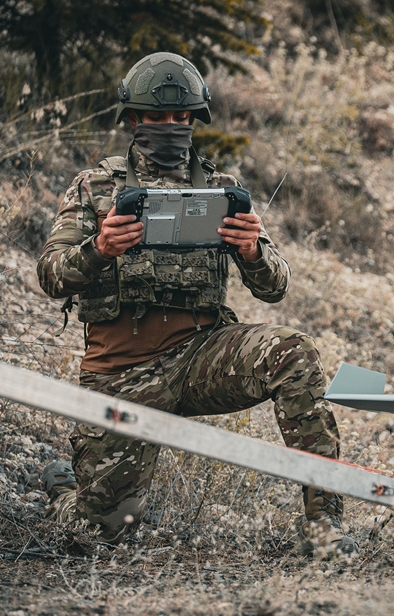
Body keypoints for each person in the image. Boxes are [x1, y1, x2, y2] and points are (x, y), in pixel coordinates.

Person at [36, 52, 354, 556]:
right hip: (122, 372)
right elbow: (50, 277)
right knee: (102, 532)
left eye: (180, 118)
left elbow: (276, 286)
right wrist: (99, 249)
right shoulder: (94, 188)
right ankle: (63, 493)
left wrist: (250, 250)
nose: (169, 127)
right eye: (156, 118)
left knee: (295, 353)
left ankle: (325, 527)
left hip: (203, 356)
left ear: (194, 121)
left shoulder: (223, 190)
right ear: (134, 120)